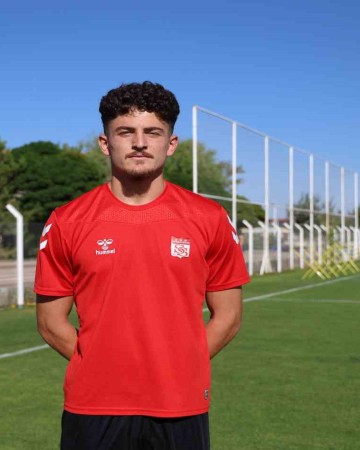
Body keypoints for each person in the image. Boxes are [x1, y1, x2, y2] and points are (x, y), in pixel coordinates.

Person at [34, 81, 251, 450]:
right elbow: (50, 323)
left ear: (171, 143)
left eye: (152, 132)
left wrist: (175, 366)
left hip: (179, 403)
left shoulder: (209, 218)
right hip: (94, 406)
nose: (139, 142)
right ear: (105, 143)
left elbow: (228, 317)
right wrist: (103, 366)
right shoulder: (67, 221)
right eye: (125, 132)